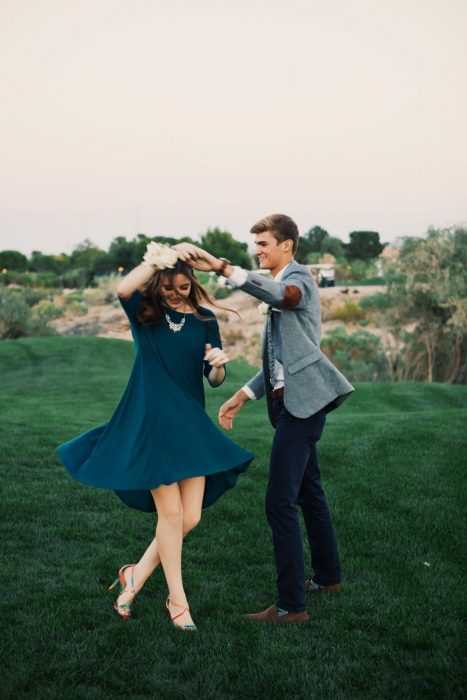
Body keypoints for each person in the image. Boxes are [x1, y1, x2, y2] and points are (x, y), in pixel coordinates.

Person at [57, 243, 253, 631]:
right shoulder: (144, 314)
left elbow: (213, 381)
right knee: (172, 513)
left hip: (189, 424)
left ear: (192, 283)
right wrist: (156, 260)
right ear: (159, 284)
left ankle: (135, 574)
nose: (177, 293)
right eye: (169, 287)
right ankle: (177, 600)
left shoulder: (205, 319)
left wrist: (217, 365)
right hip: (151, 422)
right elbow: (124, 289)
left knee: (190, 517)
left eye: (183, 287)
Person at [174, 214, 354, 624]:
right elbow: (281, 360)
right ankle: (328, 579)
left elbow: (284, 296)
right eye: (254, 245)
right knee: (309, 493)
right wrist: (241, 394)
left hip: (303, 408)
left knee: (279, 502)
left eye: (265, 244)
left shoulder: (300, 281)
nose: (257, 251)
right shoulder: (281, 281)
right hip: (287, 405)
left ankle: (291, 606)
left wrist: (222, 267)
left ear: (287, 245)